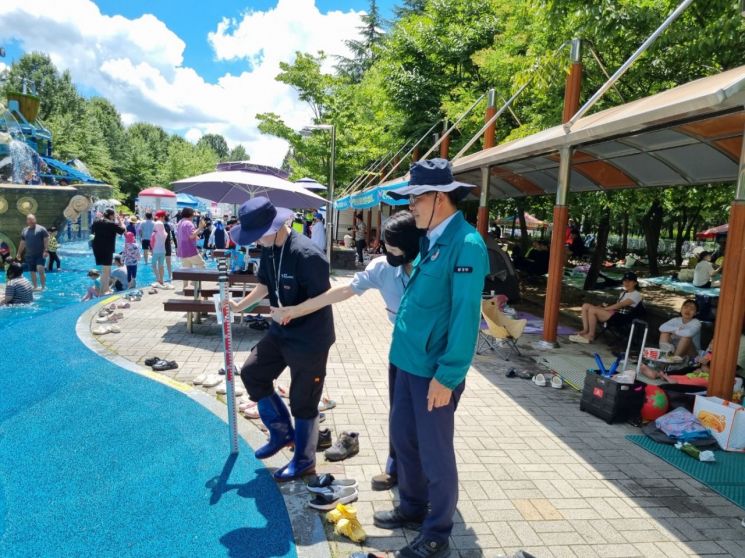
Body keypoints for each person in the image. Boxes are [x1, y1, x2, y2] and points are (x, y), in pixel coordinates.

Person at [372, 159, 488, 558]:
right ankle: (410, 507)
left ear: (439, 197)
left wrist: (449, 375)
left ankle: (437, 528)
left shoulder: (466, 243)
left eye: (416, 199)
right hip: (405, 360)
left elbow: (464, 315)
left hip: (433, 371)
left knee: (435, 453)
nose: (411, 207)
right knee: (403, 439)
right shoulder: (432, 239)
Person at [272, 211, 424, 491]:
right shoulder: (382, 268)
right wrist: (297, 309)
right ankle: (395, 469)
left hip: (432, 355)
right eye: (385, 246)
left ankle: (422, 481)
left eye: (393, 248)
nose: (387, 252)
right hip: (402, 351)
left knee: (425, 421)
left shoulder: (431, 269)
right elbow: (342, 292)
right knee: (399, 415)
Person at [226, 197, 335, 482]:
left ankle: (305, 461)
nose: (253, 241)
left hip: (310, 337)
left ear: (276, 226)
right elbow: (264, 284)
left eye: (256, 235)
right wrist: (240, 306)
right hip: (279, 330)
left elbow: (324, 297)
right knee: (252, 372)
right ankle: (281, 431)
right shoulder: (269, 249)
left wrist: (294, 311)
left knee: (303, 400)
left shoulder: (307, 253)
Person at [570, 271, 642, 343]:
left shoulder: (636, 294)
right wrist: (602, 307)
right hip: (615, 314)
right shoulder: (623, 293)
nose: (626, 283)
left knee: (593, 310)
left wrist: (603, 309)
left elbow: (620, 305)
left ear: (635, 283)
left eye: (629, 281)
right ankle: (585, 330)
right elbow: (617, 305)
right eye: (625, 281)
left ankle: (590, 335)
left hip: (622, 318)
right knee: (585, 306)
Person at [90, 208, 125, 295]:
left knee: (105, 270)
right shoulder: (111, 224)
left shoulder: (96, 222)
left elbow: (92, 231)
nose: (114, 217)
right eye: (113, 215)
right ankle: (103, 291)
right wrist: (120, 221)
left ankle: (105, 289)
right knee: (106, 270)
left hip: (96, 248)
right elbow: (122, 230)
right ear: (110, 215)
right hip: (107, 248)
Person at [175, 207, 206, 289]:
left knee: (186, 269)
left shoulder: (180, 222)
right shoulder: (189, 223)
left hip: (182, 250)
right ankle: (194, 281)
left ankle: (185, 287)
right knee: (201, 264)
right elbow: (191, 235)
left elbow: (183, 235)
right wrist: (200, 228)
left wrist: (195, 236)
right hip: (190, 250)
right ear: (191, 214)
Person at [18, 213, 49, 290]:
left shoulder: (41, 229)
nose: (31, 221)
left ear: (35, 220)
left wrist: (46, 250)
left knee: (40, 269)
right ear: (27, 221)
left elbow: (46, 240)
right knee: (32, 271)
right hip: (29, 255)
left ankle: (43, 287)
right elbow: (22, 242)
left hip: (40, 254)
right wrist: (19, 253)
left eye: (32, 219)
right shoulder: (25, 230)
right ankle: (35, 286)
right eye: (29, 219)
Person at [150, 221, 168, 287]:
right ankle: (162, 280)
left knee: (153, 265)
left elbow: (151, 243)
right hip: (163, 251)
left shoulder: (154, 234)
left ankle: (158, 278)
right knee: (161, 266)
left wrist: (151, 250)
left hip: (155, 251)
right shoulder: (165, 234)